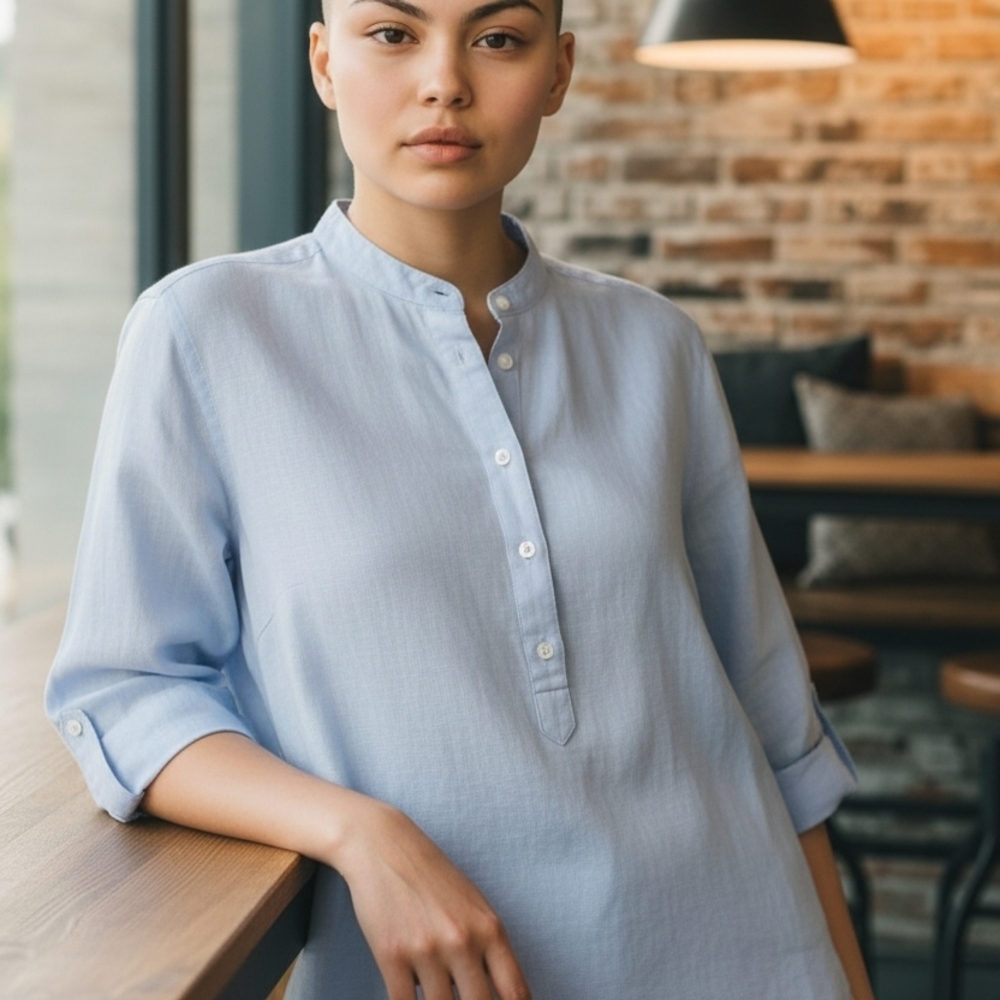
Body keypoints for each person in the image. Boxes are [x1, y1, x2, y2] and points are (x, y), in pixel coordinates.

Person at [45, 0, 875, 997]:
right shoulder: (203, 332)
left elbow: (775, 724)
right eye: (393, 34)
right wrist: (361, 832)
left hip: (738, 947)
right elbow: (125, 689)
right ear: (321, 61)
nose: (445, 81)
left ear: (558, 72)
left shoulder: (657, 346)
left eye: (498, 38)